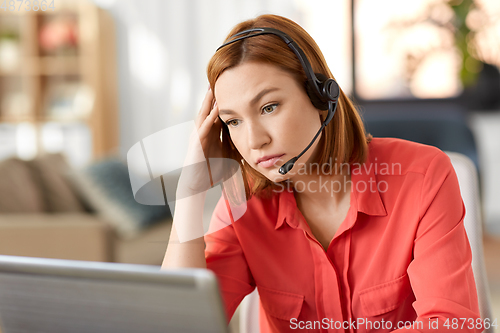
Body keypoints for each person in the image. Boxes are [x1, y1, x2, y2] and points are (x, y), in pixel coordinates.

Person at [162, 14, 481, 333]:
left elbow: (453, 324)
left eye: (269, 107)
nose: (254, 140)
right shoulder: (242, 202)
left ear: (321, 98)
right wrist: (189, 192)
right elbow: (177, 326)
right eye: (233, 121)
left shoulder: (422, 175)